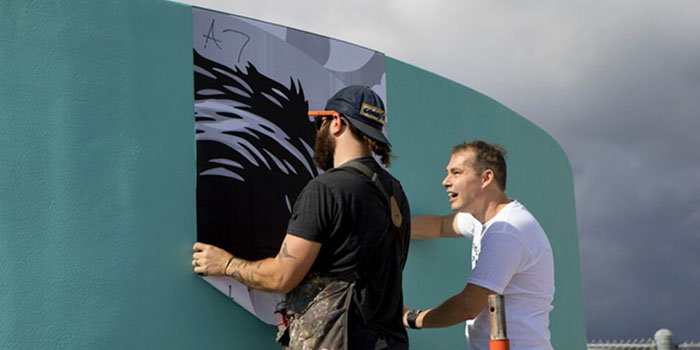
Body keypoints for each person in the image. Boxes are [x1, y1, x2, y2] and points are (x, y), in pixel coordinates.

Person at [192, 85, 411, 350]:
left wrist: (226, 264)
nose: (317, 131)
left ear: (337, 123)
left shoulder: (326, 189)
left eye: (320, 122)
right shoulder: (395, 193)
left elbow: (281, 277)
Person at [405, 140, 554, 350]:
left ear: (486, 178)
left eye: (456, 173)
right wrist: (392, 227)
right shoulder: (481, 220)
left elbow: (468, 306)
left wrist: (411, 318)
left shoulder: (507, 231)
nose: (445, 181)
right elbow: (439, 226)